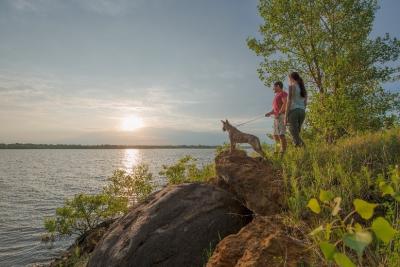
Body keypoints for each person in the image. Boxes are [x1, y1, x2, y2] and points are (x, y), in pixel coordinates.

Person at [285, 72, 307, 147]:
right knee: (296, 133)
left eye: (289, 78)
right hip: (302, 112)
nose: (288, 80)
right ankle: (298, 151)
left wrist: (285, 116)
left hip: (294, 112)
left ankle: (305, 149)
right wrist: (301, 109)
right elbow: (305, 103)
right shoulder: (303, 88)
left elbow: (289, 101)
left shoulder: (291, 87)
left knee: (294, 134)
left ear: (291, 78)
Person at [265, 81, 287, 155]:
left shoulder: (283, 93)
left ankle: (283, 152)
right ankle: (277, 151)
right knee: (275, 135)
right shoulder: (276, 96)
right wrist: (270, 113)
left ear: (278, 86)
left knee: (281, 135)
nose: (273, 88)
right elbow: (275, 109)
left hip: (281, 116)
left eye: (273, 87)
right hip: (276, 117)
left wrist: (280, 113)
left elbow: (285, 103)